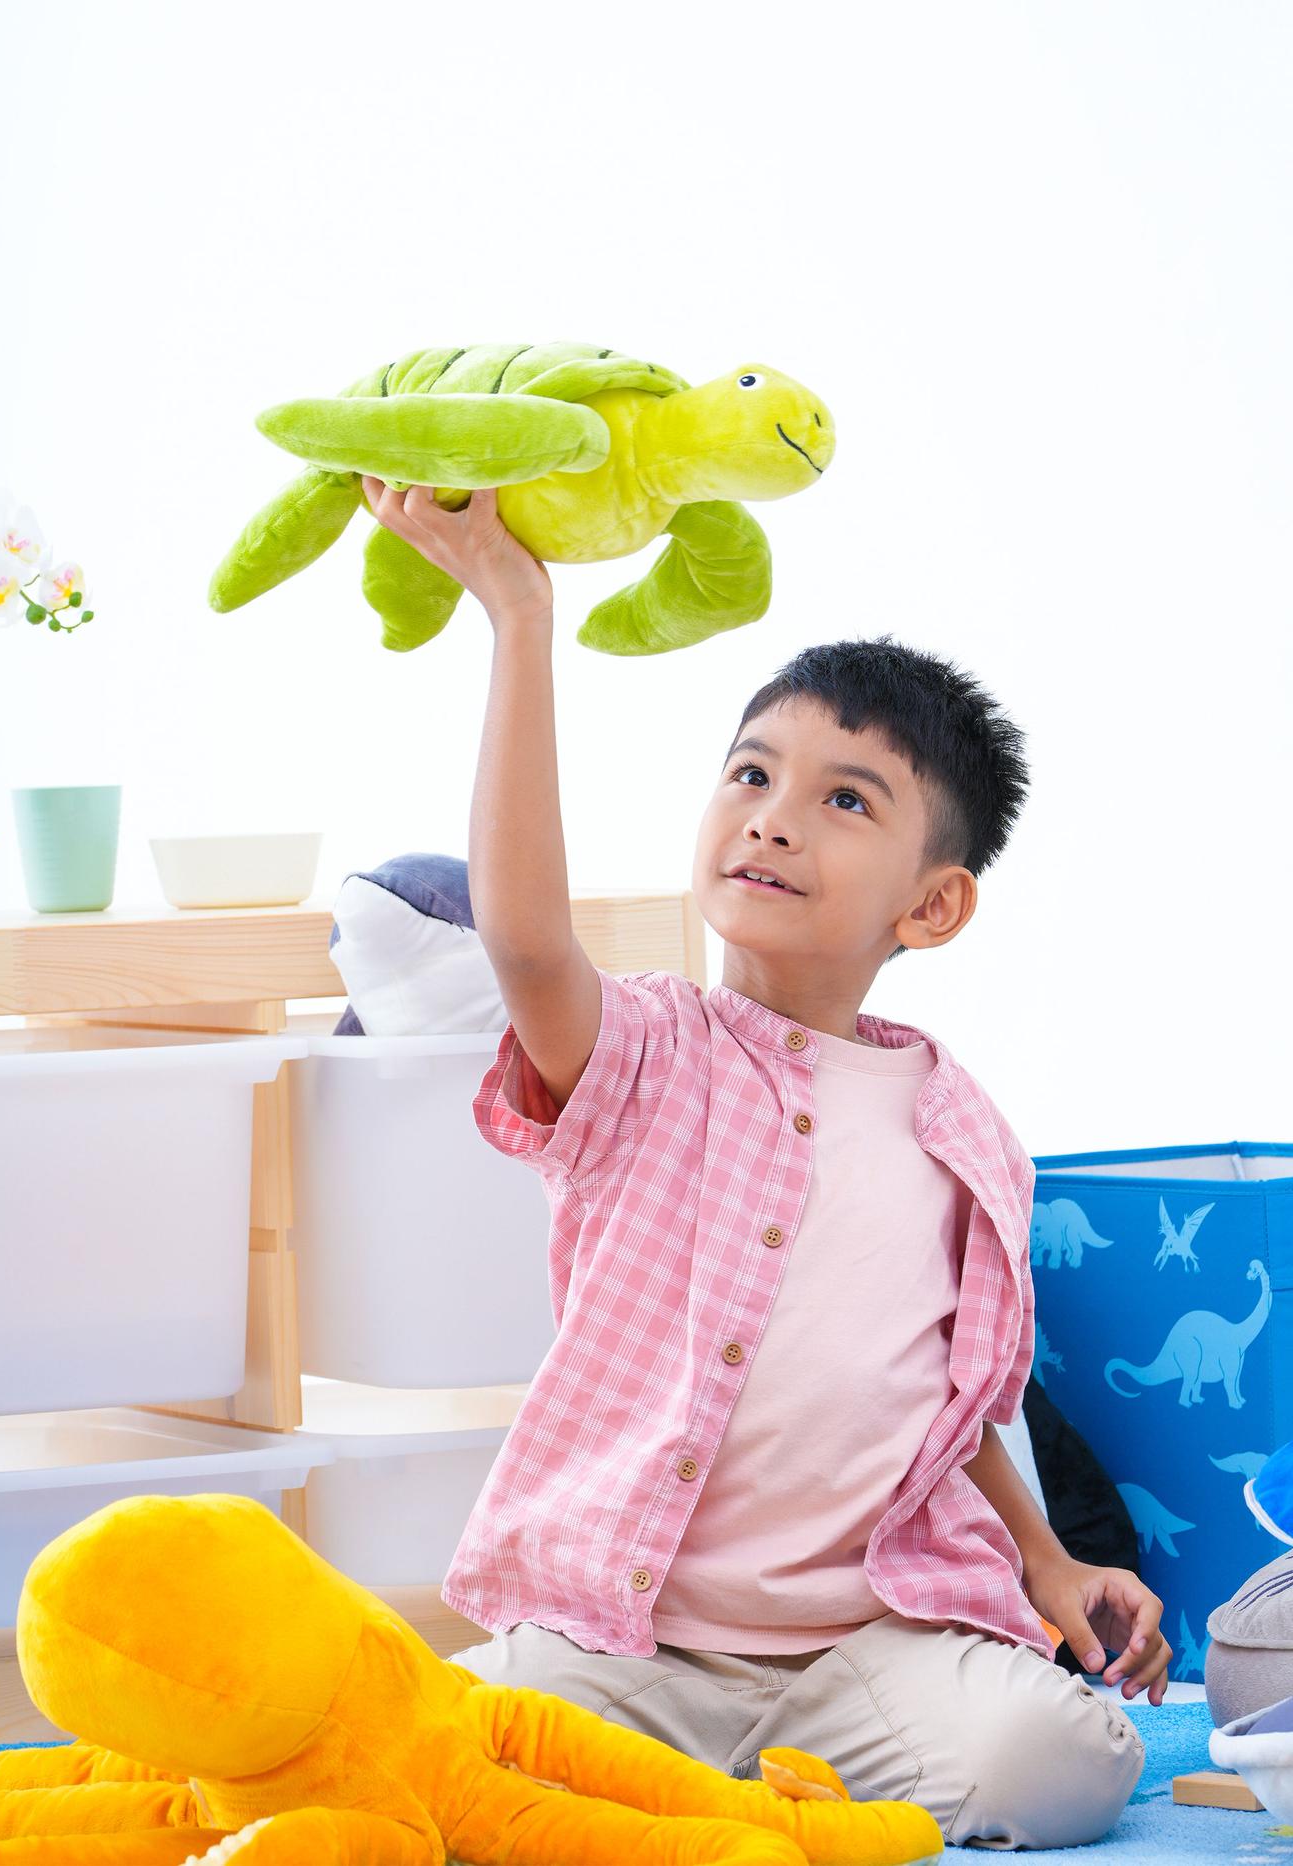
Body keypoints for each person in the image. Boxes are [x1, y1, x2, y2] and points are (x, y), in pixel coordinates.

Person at [360, 476, 1170, 1849]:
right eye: (751, 774)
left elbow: (953, 1407)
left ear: (933, 904)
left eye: (845, 798)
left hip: (865, 1649)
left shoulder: (962, 1131)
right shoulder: (642, 1052)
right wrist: (517, 619)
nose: (774, 817)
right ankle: (729, 1805)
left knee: (1066, 1764)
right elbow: (528, 940)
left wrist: (1047, 1561)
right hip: (631, 1647)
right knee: (440, 1752)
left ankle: (709, 1810)